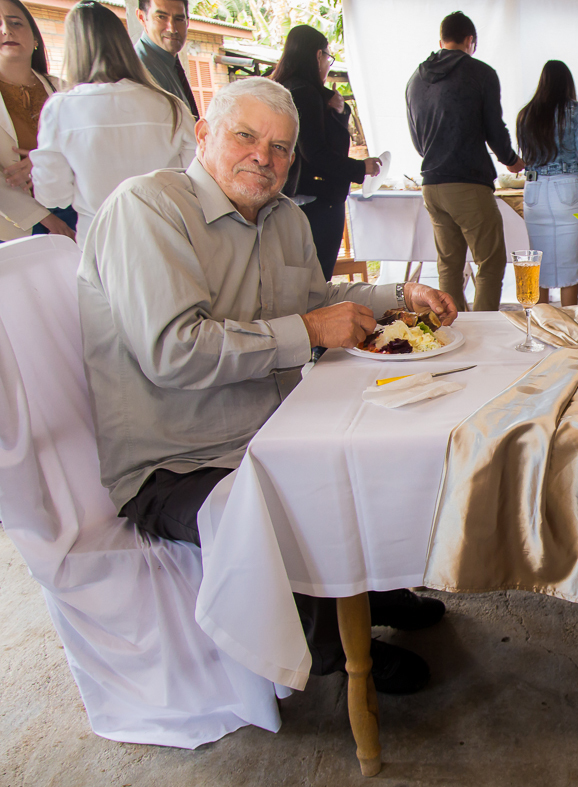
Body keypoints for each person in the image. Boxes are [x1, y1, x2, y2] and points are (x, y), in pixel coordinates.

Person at [77, 78, 459, 694]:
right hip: (178, 462)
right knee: (292, 499)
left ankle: (368, 590)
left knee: (375, 448)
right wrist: (307, 330)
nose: (263, 157)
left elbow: (319, 299)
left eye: (280, 147)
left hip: (270, 429)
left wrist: (400, 295)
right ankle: (333, 649)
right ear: (203, 135)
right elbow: (175, 351)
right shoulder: (147, 209)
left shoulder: (283, 216)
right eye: (245, 136)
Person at [29, 1, 195, 243]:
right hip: (167, 237)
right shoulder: (171, 105)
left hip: (100, 241)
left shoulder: (60, 109)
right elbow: (194, 179)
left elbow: (53, 196)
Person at [406, 11, 523, 312]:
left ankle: (455, 328)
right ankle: (483, 330)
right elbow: (494, 127)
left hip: (431, 183)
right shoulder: (480, 73)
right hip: (468, 182)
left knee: (449, 264)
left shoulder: (415, 79)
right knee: (490, 262)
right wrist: (511, 160)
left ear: (441, 41)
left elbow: (418, 142)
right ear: (470, 40)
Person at [271, 24, 381, 281]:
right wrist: (360, 167)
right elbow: (317, 152)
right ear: (318, 55)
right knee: (318, 281)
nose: (328, 66)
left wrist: (335, 111)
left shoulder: (278, 88)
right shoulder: (306, 94)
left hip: (285, 196)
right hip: (317, 200)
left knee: (294, 279)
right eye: (328, 58)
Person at [516, 60, 578, 307]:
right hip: (567, 187)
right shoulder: (574, 111)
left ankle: (541, 323)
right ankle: (569, 323)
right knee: (569, 266)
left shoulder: (525, 114)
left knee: (538, 265)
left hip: (534, 190)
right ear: (567, 83)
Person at [0, 0, 73, 241]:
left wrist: (46, 161)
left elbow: (93, 147)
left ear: (35, 39)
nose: (6, 30)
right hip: (14, 227)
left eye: (15, 23)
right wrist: (44, 218)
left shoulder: (68, 91)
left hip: (75, 209)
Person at [134, 0, 200, 120]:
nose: (172, 29)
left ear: (187, 21)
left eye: (179, 19)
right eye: (161, 17)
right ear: (142, 18)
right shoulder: (140, 71)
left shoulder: (170, 63)